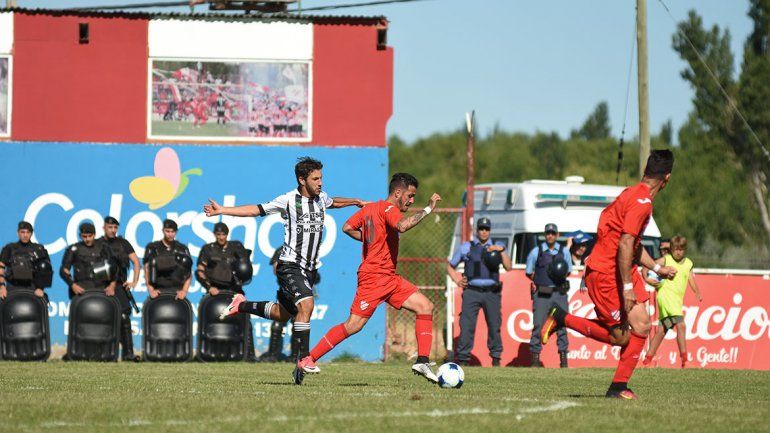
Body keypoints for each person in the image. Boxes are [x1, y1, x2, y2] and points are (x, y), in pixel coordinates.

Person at [208, 156, 366, 385]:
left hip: (308, 269)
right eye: (315, 178)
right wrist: (222, 210)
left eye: (321, 177)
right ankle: (303, 358)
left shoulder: (321, 198)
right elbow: (255, 210)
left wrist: (355, 201)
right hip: (290, 265)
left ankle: (240, 304)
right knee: (307, 305)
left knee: (282, 314)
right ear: (302, 179)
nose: (320, 182)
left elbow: (334, 202)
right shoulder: (288, 200)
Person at [541, 150, 678, 399]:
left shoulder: (632, 194)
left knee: (642, 324)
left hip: (620, 269)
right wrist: (627, 286)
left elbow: (631, 245)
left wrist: (657, 268)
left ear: (646, 171)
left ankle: (618, 387)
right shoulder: (642, 203)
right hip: (606, 274)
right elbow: (626, 244)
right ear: (666, 178)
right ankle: (562, 318)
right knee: (620, 337)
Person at [298, 173, 443, 383]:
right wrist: (428, 208)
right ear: (398, 192)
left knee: (425, 306)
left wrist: (371, 242)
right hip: (374, 277)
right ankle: (308, 359)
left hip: (389, 277)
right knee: (353, 325)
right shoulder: (389, 209)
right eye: (410, 196)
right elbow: (402, 226)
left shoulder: (370, 208)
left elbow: (347, 227)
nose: (411, 201)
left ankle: (422, 360)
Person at [446, 217, 512, 367]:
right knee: (467, 325)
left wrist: (500, 251)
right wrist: (457, 280)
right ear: (477, 230)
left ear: (490, 230)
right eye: (481, 228)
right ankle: (463, 359)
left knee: (494, 325)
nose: (484, 231)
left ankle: (496, 358)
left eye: (486, 229)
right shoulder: (466, 247)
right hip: (472, 292)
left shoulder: (497, 246)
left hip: (492, 293)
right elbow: (450, 266)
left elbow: (509, 267)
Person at [196, 222, 256, 360]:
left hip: (234, 289)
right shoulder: (208, 249)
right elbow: (200, 270)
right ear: (215, 234)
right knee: (210, 319)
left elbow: (245, 266)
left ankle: (249, 355)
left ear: (227, 235)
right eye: (218, 234)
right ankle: (206, 354)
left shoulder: (236, 247)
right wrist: (208, 286)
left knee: (246, 319)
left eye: (223, 234)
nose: (221, 237)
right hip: (214, 290)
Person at [643, 235, 702, 368]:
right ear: (671, 249)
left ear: (685, 250)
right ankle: (685, 361)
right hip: (666, 296)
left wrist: (697, 292)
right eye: (675, 249)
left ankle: (647, 360)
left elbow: (690, 279)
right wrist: (646, 277)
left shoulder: (688, 263)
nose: (678, 252)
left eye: (681, 249)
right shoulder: (666, 259)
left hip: (676, 299)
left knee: (662, 331)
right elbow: (648, 266)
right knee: (681, 326)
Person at [525, 223, 572, 368]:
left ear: (557, 235)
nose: (550, 235)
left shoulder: (564, 251)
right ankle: (535, 358)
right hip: (542, 295)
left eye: (553, 233)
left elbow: (568, 271)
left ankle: (563, 359)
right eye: (548, 233)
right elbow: (529, 272)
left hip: (559, 293)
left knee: (562, 327)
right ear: (545, 235)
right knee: (538, 325)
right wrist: (540, 281)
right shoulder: (536, 251)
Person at [100, 216, 141, 362]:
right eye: (110, 227)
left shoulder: (123, 243)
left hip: (119, 286)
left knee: (124, 318)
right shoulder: (98, 243)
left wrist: (134, 282)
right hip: (102, 287)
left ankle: (128, 354)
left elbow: (136, 262)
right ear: (104, 227)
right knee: (105, 318)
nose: (112, 230)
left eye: (115, 227)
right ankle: (107, 354)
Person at [60, 222, 118, 299]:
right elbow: (64, 270)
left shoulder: (103, 248)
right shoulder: (74, 249)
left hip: (101, 289)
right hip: (81, 290)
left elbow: (115, 267)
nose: (87, 239)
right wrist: (73, 285)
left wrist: (112, 286)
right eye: (84, 236)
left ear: (94, 235)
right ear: (80, 236)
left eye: (90, 236)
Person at [0, 221, 52, 301]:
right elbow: (1, 267)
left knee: (42, 303)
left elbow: (46, 269)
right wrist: (2, 286)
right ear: (18, 233)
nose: (25, 235)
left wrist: (41, 288)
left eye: (28, 232)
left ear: (31, 234)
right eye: (22, 232)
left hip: (33, 287)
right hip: (12, 287)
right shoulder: (9, 248)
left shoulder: (38, 249)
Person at [143, 219, 192, 300]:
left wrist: (184, 291)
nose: (170, 234)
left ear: (176, 232)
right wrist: (151, 290)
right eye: (167, 231)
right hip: (158, 290)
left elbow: (189, 273)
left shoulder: (182, 248)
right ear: (163, 230)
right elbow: (147, 270)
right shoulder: (153, 247)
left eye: (172, 232)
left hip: (177, 291)